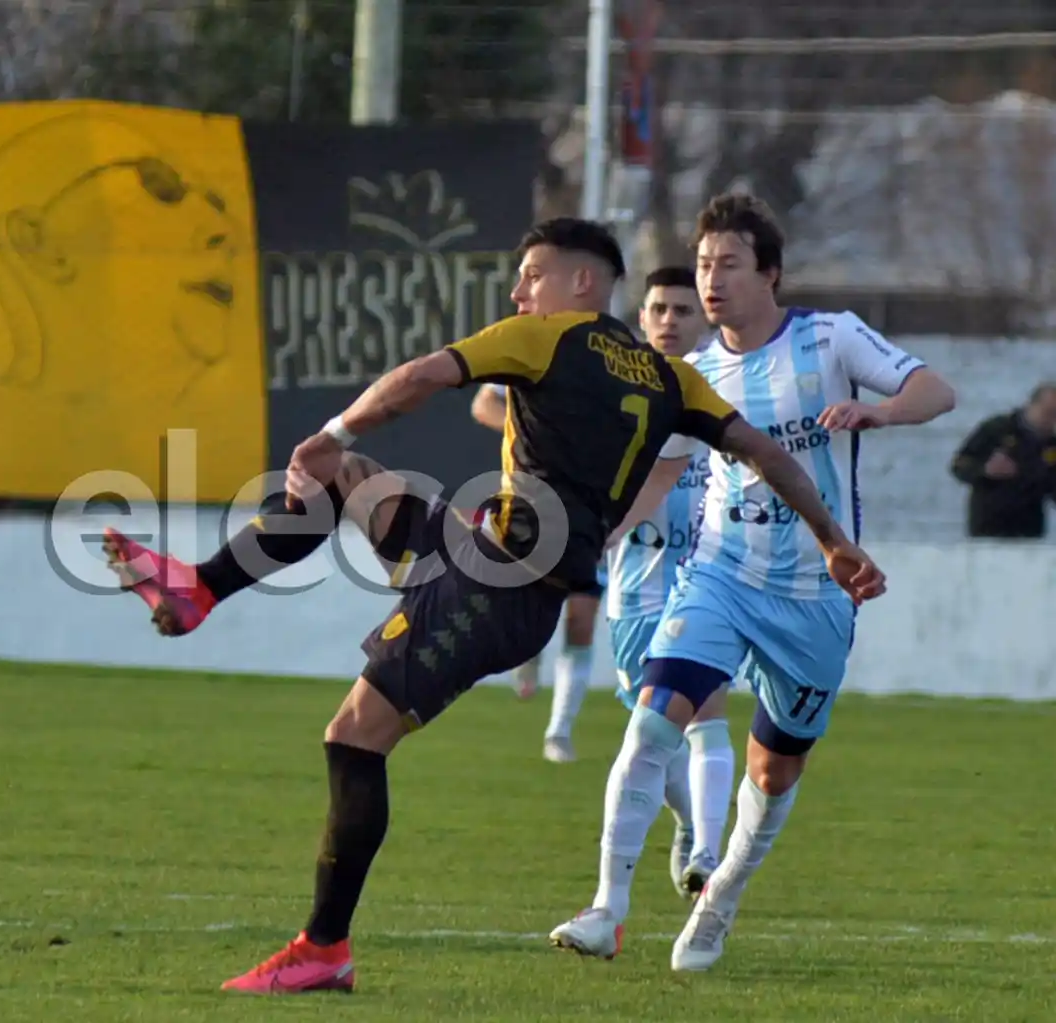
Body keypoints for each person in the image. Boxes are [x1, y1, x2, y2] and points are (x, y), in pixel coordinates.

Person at [102, 216, 886, 995]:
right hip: (491, 559)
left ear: (582, 281)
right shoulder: (669, 377)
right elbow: (768, 453)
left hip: (496, 586)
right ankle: (200, 588)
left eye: (531, 275)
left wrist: (327, 429)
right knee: (354, 478)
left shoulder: (544, 338)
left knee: (354, 737)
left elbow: (419, 376)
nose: (518, 292)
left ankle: (324, 947)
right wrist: (829, 537)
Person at [550, 193, 954, 973]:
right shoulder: (692, 375)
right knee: (652, 718)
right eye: (703, 264)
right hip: (719, 575)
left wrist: (882, 415)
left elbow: (938, 390)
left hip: (816, 596)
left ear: (770, 272)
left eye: (728, 264)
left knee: (773, 769)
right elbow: (659, 478)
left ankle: (721, 895)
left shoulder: (831, 337)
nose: (712, 279)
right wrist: (590, 539)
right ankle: (608, 906)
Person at [599, 264, 732, 899]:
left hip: (708, 583)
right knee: (650, 732)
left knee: (707, 715)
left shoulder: (724, 385)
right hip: (636, 591)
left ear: (704, 320)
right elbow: (493, 400)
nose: (671, 321)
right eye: (660, 309)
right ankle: (688, 821)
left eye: (684, 310)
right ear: (643, 317)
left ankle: (708, 851)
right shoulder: (617, 389)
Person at [471, 384, 607, 761]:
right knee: (532, 609)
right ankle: (529, 654)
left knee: (581, 620)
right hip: (534, 510)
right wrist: (535, 435)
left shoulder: (617, 360)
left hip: (590, 511)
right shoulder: (537, 349)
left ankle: (559, 731)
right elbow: (483, 403)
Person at [949, 382, 1056, 538]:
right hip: (988, 527)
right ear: (1031, 406)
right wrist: (985, 470)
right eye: (1048, 413)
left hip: (1029, 530)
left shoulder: (1051, 444)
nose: (1051, 421)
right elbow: (958, 466)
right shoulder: (996, 430)